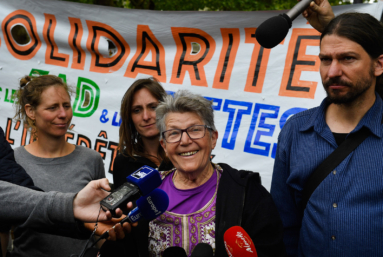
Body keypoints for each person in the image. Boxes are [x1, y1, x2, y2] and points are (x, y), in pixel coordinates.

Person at [270, 1, 383, 256]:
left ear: (378, 65)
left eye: (347, 59)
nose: (332, 71)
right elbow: (282, 224)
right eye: (325, 59)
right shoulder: (295, 131)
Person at [132, 90, 284, 257]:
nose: (185, 141)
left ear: (213, 138)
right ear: (164, 145)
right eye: (174, 133)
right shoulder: (145, 191)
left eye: (195, 130)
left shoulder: (247, 193)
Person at [9, 75, 106, 257]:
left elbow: (100, 225)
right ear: (30, 111)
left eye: (66, 106)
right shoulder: (13, 161)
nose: (63, 114)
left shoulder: (91, 159)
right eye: (52, 107)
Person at [113, 77, 173, 190]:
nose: (146, 117)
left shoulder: (183, 151)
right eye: (137, 110)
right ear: (129, 118)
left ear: (166, 109)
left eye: (153, 107)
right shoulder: (123, 162)